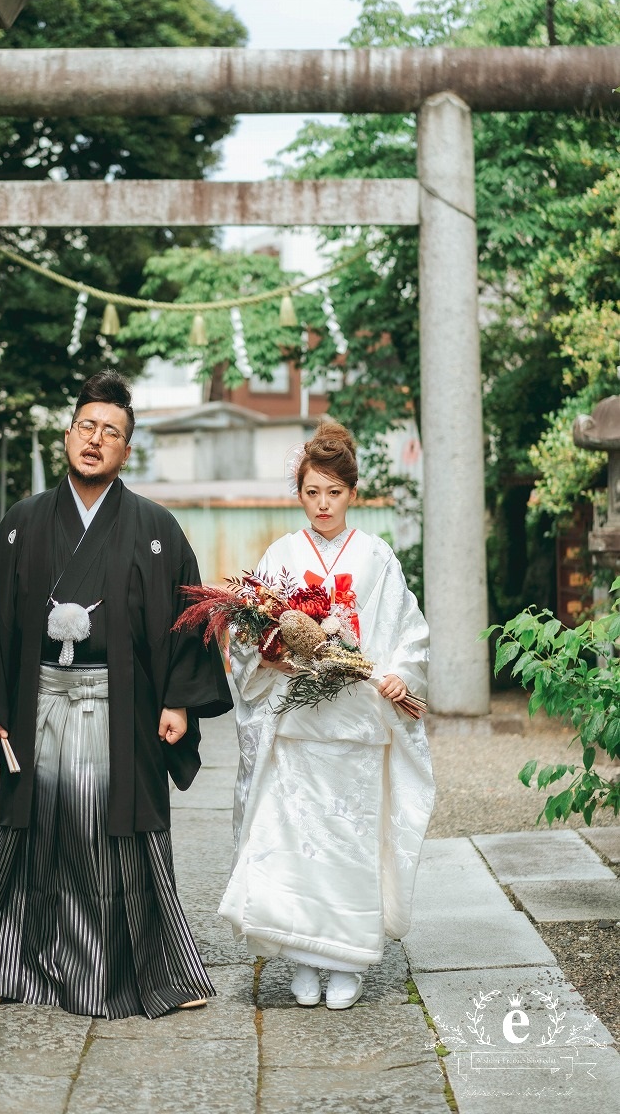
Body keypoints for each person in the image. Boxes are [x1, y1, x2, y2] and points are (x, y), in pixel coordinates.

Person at [0, 370, 232, 1019]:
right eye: (87, 426)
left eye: (111, 432)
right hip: (38, 701)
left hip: (122, 706)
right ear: (67, 433)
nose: (95, 439)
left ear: (125, 450)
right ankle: (1, 964)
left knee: (124, 837)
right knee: (27, 832)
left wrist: (178, 700)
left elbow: (185, 615)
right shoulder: (22, 523)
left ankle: (152, 971)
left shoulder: (153, 526)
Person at [220, 420, 434, 1010]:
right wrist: (272, 654)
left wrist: (397, 673)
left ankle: (347, 960)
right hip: (299, 725)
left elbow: (408, 631)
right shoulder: (281, 555)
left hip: (359, 726)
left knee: (350, 842)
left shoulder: (377, 556)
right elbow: (247, 633)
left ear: (352, 493)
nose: (322, 504)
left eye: (334, 493)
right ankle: (305, 956)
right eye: (312, 492)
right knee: (298, 841)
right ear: (300, 492)